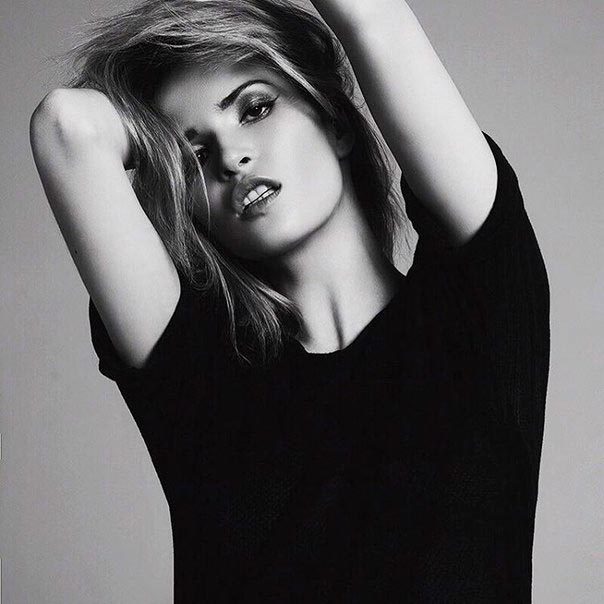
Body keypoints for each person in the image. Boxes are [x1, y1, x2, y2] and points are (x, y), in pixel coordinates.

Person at [29, 0, 550, 601]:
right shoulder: (202, 383)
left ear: (336, 121)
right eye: (195, 155)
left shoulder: (474, 315)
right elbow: (68, 127)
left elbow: (373, 17)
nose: (232, 158)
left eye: (255, 108)